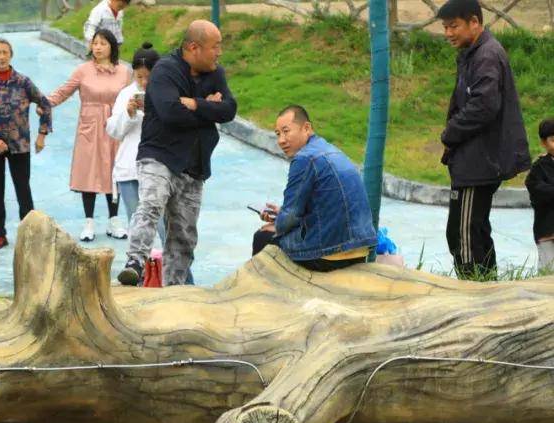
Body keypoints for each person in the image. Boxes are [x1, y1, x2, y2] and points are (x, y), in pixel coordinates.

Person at [118, 20, 235, 287]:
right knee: (151, 205)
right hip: (160, 155)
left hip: (194, 164)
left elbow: (229, 109)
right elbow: (170, 112)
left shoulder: (215, 73)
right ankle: (134, 263)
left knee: (184, 233)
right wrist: (208, 111)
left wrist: (195, 104)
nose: (219, 52)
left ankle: (175, 286)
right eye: (215, 47)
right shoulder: (165, 71)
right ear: (194, 47)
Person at [436, 0, 529, 278]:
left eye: (454, 26)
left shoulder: (486, 55)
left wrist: (449, 133)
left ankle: (472, 293)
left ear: (474, 22)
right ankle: (489, 288)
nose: (448, 33)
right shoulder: (473, 52)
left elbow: (484, 106)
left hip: (479, 162)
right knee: (477, 229)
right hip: (476, 158)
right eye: (445, 27)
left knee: (462, 234)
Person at [251, 106, 376, 271]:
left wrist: (278, 224)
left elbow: (289, 218)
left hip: (330, 253)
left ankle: (263, 295)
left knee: (262, 237)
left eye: (286, 131)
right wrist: (281, 215)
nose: (281, 140)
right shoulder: (332, 151)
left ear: (307, 128)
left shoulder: (304, 159)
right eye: (277, 134)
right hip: (361, 248)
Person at [0, 38, 52, 251]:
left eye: (5, 52)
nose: (2, 57)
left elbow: (45, 104)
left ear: (11, 55)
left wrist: (42, 134)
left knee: (23, 189)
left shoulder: (23, 82)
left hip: (19, 145)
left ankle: (30, 234)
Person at [49, 29, 132, 243]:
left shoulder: (124, 72)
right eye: (95, 43)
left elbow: (135, 95)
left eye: (103, 43)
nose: (97, 47)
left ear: (112, 46)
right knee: (90, 171)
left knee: (114, 170)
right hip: (89, 127)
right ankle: (89, 222)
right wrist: (43, 102)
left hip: (114, 126)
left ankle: (114, 219)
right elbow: (63, 91)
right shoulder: (82, 70)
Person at [106, 43, 170, 269]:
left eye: (147, 77)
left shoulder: (166, 93)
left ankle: (172, 273)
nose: (143, 82)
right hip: (128, 169)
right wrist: (129, 113)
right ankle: (139, 271)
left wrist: (152, 109)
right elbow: (113, 130)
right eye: (139, 76)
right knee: (136, 223)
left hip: (157, 169)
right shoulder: (125, 94)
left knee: (162, 224)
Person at [525, 118, 554, 272]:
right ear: (544, 143)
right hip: (547, 228)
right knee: (548, 268)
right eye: (553, 140)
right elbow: (536, 189)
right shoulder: (539, 167)